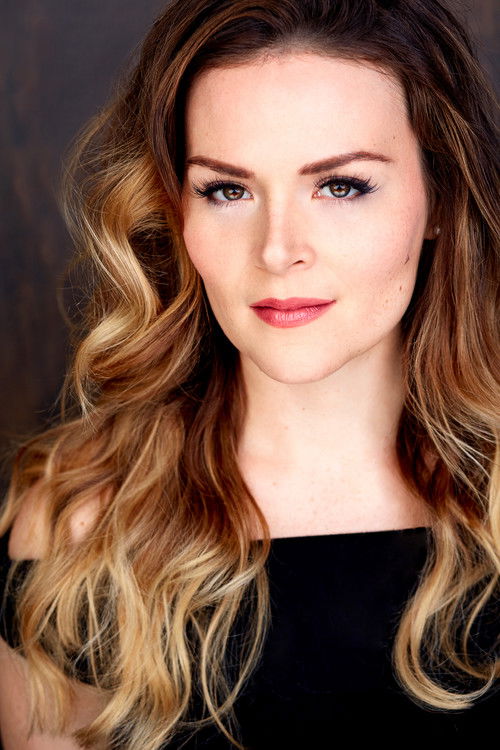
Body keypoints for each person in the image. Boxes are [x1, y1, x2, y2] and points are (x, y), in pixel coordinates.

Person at [0, 0, 498, 748]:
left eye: (341, 185)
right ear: (176, 209)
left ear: (439, 198)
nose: (277, 250)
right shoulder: (80, 523)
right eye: (227, 190)